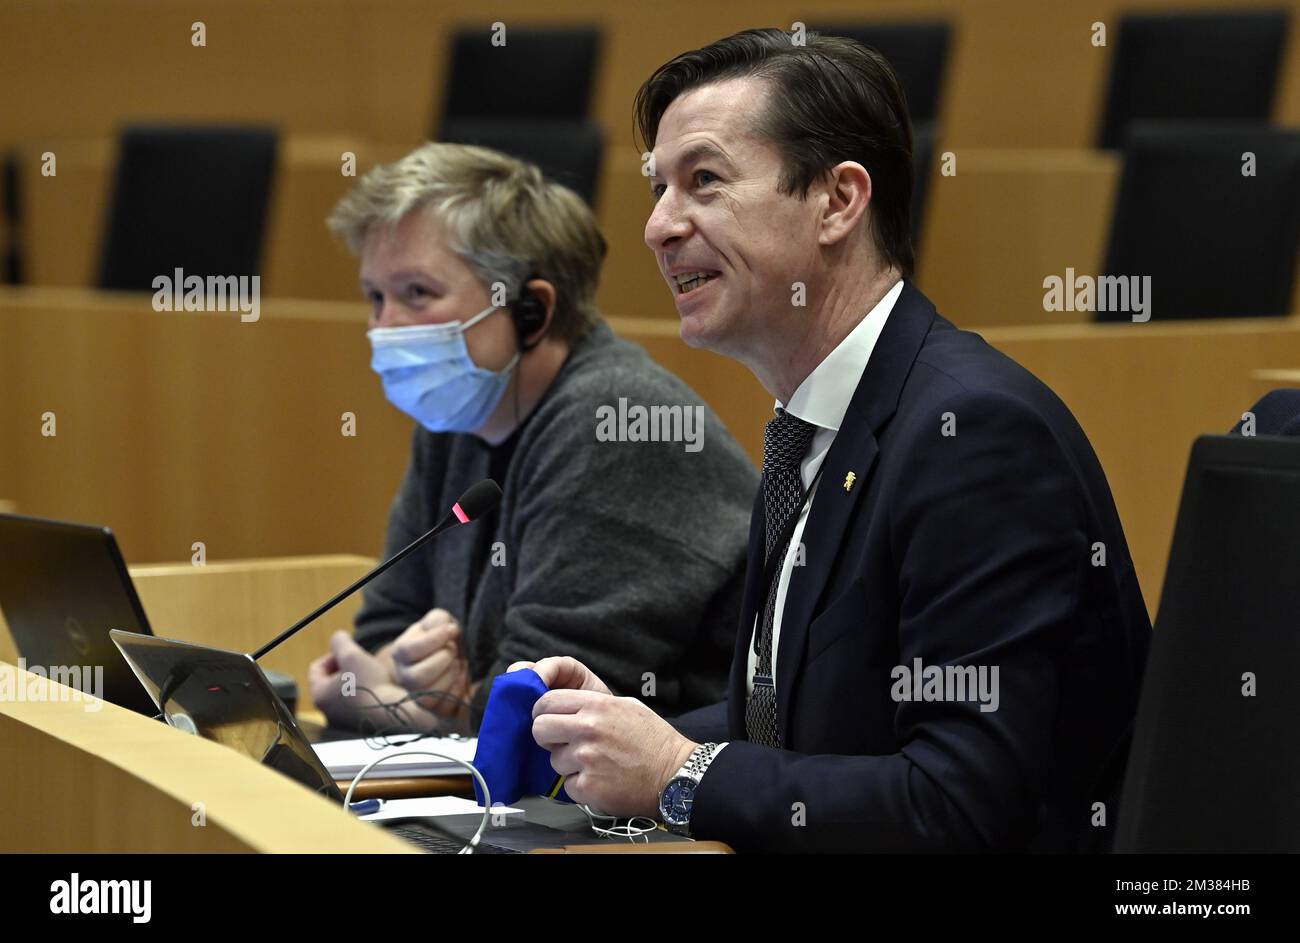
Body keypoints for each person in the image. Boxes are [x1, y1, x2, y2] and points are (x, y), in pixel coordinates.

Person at [516, 29, 1152, 853]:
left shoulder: (975, 436)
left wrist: (681, 771)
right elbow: (813, 718)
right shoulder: (814, 422)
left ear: (839, 201)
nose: (659, 227)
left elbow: (960, 802)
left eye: (702, 180)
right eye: (657, 188)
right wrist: (627, 731)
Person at [309, 142, 758, 735]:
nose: (383, 327)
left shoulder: (615, 421)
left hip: (661, 814)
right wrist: (408, 674)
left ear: (531, 311)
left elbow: (540, 707)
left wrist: (390, 699)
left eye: (416, 293)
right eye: (375, 297)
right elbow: (379, 633)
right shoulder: (457, 417)